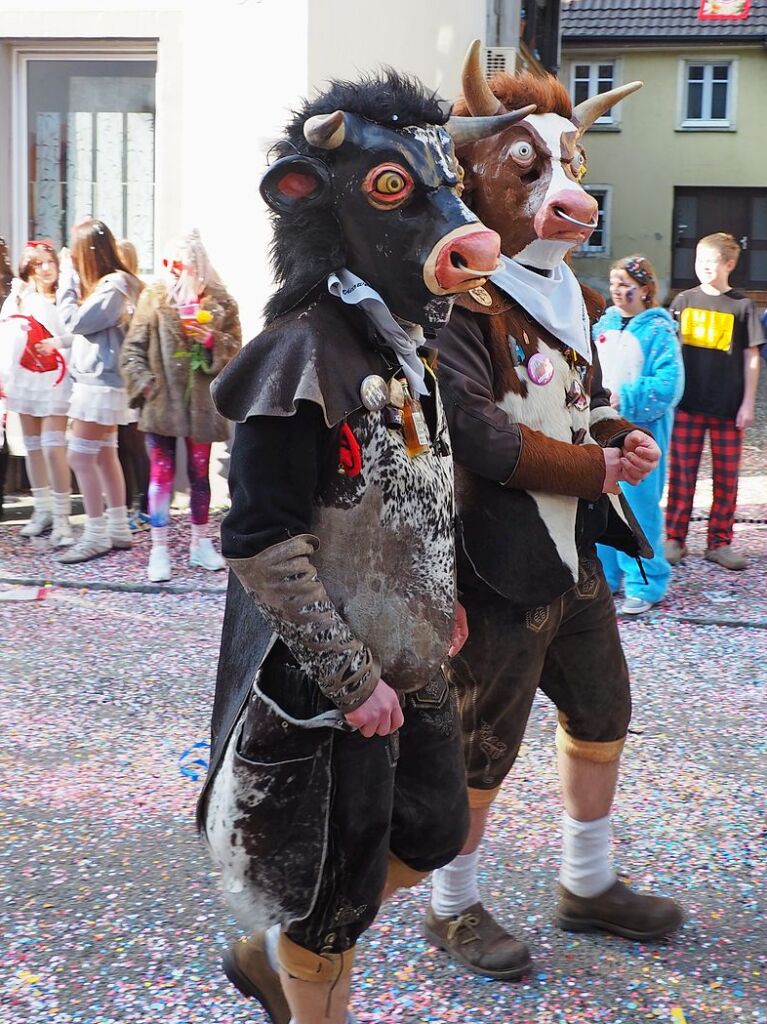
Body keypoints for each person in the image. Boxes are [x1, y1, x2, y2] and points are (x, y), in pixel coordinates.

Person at [195, 72, 519, 1024]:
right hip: (328, 685)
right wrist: (349, 679)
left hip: (406, 657)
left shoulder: (405, 341)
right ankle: (305, 965)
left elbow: (411, 492)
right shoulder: (298, 351)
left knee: (434, 828)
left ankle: (274, 949)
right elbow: (258, 540)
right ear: (316, 196)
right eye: (394, 188)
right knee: (335, 902)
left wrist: (435, 594)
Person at [423, 49, 683, 981]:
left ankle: (586, 882)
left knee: (602, 708)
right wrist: (596, 463)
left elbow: (574, 401)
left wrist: (615, 431)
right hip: (497, 561)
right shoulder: (460, 296)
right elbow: (478, 436)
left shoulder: (568, 292)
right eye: (535, 169)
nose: (566, 191)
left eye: (569, 167)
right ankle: (450, 908)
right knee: (481, 738)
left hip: (572, 553)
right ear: (477, 181)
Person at [121, 229, 241, 582]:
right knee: (161, 473)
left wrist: (211, 340)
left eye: (180, 265)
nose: (172, 271)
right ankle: (158, 550)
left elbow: (237, 350)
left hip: (201, 406)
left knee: (200, 474)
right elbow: (133, 349)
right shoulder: (154, 297)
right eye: (168, 263)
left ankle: (199, 543)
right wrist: (146, 385)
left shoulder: (222, 301)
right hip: (162, 403)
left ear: (197, 266)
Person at [665, 232, 762, 571]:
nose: (704, 267)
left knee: (726, 479)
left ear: (729, 265)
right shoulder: (682, 303)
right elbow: (669, 352)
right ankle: (674, 538)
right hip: (687, 406)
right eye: (699, 261)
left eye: (712, 262)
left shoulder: (743, 306)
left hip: (728, 408)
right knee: (681, 474)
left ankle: (719, 542)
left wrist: (748, 403)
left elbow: (752, 358)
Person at [594, 255, 684, 614]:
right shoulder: (605, 324)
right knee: (602, 501)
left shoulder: (659, 331)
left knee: (639, 507)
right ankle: (606, 575)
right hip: (601, 432)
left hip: (641, 434)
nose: (617, 290)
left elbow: (668, 385)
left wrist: (625, 398)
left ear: (645, 289)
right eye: (613, 283)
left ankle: (645, 583)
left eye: (625, 284)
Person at [55, 219, 142, 564]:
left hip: (100, 386)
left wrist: (67, 278)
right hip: (101, 382)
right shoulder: (116, 286)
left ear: (87, 252)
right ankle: (118, 527)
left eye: (75, 254)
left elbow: (74, 321)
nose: (73, 260)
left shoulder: (114, 286)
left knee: (79, 457)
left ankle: (95, 534)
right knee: (105, 454)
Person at [0, 240, 74, 545]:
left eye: (49, 262)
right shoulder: (18, 298)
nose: (45, 268)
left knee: (53, 445)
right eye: (38, 263)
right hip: (26, 376)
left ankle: (62, 519)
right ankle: (42, 510)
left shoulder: (65, 297)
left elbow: (79, 334)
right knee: (31, 445)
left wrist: (56, 343)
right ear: (28, 268)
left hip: (57, 375)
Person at [115, 238, 150, 530]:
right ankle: (126, 505)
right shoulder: (110, 289)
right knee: (119, 446)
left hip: (132, 380)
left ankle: (144, 506)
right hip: (115, 379)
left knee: (135, 444)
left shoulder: (138, 291)